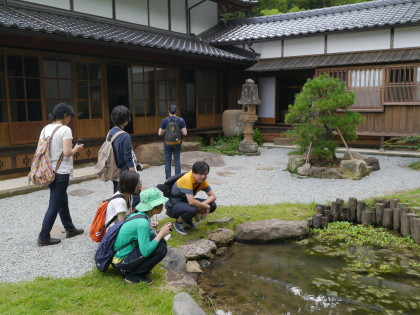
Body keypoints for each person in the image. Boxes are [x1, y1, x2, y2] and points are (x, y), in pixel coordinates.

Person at [37, 103, 84, 246]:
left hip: (47, 171)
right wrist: (77, 148)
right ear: (65, 116)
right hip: (61, 172)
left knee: (62, 200)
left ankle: (70, 229)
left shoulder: (45, 128)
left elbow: (40, 149)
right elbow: (67, 152)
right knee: (54, 205)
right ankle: (43, 237)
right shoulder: (65, 129)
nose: (70, 119)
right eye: (70, 117)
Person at [111, 188, 172, 284]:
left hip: (120, 258)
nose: (163, 206)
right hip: (120, 262)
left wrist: (158, 231)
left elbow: (142, 236)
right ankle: (133, 276)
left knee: (159, 242)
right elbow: (146, 251)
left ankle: (139, 269)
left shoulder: (139, 215)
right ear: (153, 207)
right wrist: (161, 234)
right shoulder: (142, 222)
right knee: (161, 248)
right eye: (160, 203)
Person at [166, 161, 217, 235]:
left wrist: (204, 204)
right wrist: (205, 206)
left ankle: (187, 219)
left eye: (205, 174)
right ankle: (178, 222)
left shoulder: (202, 181)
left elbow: (213, 196)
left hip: (185, 203)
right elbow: (191, 202)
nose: (203, 176)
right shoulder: (187, 179)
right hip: (173, 206)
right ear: (194, 172)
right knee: (193, 208)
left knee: (213, 205)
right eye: (201, 174)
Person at [108, 105, 140, 208]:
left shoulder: (110, 132)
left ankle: (117, 218)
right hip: (125, 172)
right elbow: (128, 158)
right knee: (135, 197)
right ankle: (132, 218)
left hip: (114, 169)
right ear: (126, 120)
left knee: (117, 196)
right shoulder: (125, 136)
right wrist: (135, 175)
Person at [158, 105, 187, 179]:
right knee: (177, 160)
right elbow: (185, 133)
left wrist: (164, 131)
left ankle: (168, 179)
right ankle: (178, 179)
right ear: (176, 111)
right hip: (177, 143)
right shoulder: (181, 120)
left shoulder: (164, 120)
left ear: (168, 111)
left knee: (168, 161)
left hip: (167, 143)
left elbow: (159, 133)